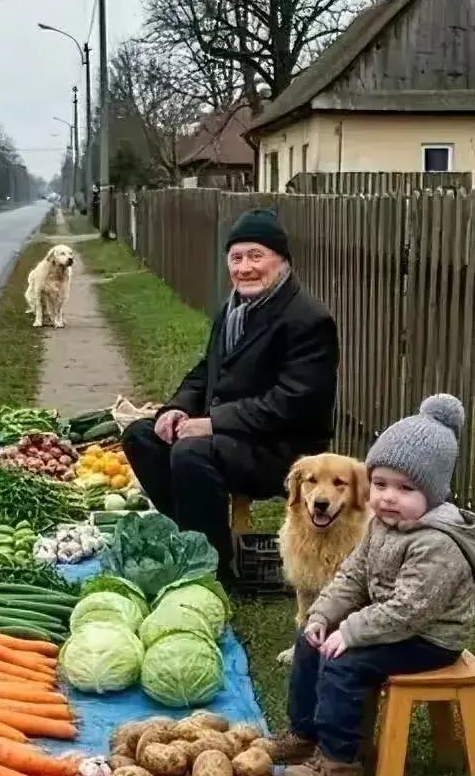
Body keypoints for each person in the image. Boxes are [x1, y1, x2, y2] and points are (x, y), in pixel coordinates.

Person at [280, 394, 475, 776]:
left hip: (429, 638)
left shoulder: (437, 544)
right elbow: (352, 576)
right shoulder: (382, 526)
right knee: (311, 640)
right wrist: (322, 616)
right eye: (380, 484)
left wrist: (353, 632)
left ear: (434, 494)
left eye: (405, 488)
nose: (388, 497)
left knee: (346, 662)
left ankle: (339, 760)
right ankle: (304, 734)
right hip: (395, 623)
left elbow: (408, 611)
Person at [121, 208, 338, 575]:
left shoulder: (308, 320)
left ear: (282, 261)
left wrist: (213, 424)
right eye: (236, 258)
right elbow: (206, 371)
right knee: (141, 435)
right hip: (235, 438)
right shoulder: (233, 310)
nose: (244, 268)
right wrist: (174, 409)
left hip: (282, 448)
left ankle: (211, 571)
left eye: (257, 256)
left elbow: (293, 403)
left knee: (192, 452)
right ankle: (192, 540)